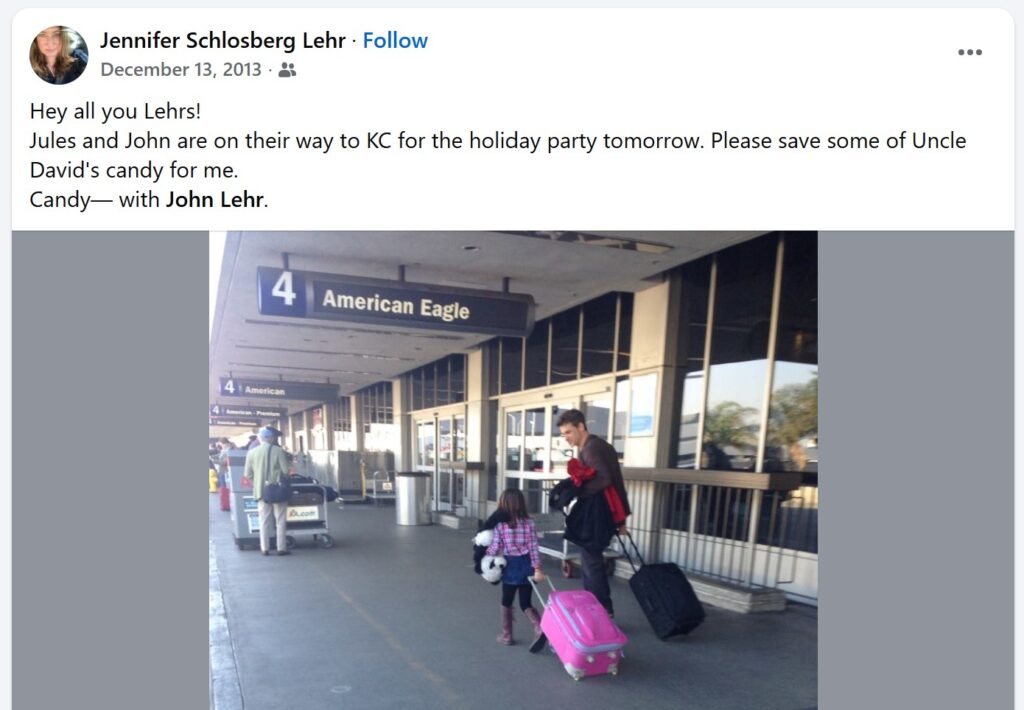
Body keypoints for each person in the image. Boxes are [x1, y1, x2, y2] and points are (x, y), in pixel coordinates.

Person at [556, 409, 631, 617]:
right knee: (590, 561)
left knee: (591, 563)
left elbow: (605, 479)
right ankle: (597, 608)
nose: (566, 438)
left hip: (600, 514)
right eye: (563, 434)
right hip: (604, 512)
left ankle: (601, 610)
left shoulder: (592, 448)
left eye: (568, 432)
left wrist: (576, 492)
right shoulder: (591, 446)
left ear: (581, 426)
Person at [484, 488, 547, 651]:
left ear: (503, 504)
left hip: (510, 566)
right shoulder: (529, 523)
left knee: (507, 600)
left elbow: (496, 546)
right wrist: (537, 567)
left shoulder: (500, 524)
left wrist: (484, 552)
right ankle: (539, 628)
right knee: (525, 602)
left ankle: (507, 636)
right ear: (521, 504)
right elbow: (533, 547)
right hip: (527, 566)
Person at [244, 426, 292, 556]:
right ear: (271, 438)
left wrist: (258, 482)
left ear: (260, 439)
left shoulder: (251, 453)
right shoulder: (278, 451)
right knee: (280, 520)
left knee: (264, 521)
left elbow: (248, 474)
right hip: (278, 490)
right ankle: (281, 548)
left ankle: (264, 548)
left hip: (261, 491)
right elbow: (285, 470)